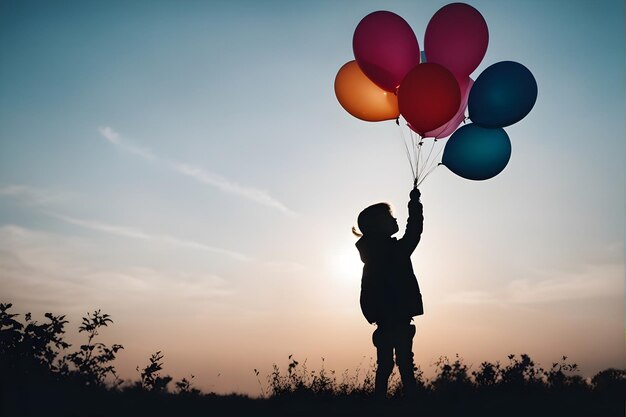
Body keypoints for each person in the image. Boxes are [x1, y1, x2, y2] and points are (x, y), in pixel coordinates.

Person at [353, 187, 424, 398]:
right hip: (399, 321)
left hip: (383, 324)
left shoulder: (371, 258)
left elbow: (366, 294)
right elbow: (414, 233)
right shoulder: (395, 253)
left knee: (384, 367)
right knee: (405, 366)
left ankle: (379, 404)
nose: (395, 219)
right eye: (390, 217)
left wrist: (374, 315)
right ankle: (412, 404)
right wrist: (415, 205)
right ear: (379, 226)